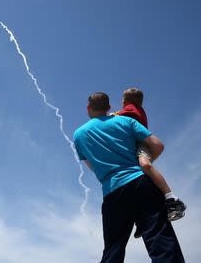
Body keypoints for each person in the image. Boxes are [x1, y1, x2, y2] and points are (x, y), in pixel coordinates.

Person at [73, 92, 185, 262]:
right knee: (160, 240)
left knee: (113, 249)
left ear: (88, 107)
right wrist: (142, 163)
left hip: (112, 192)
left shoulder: (79, 135)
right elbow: (157, 145)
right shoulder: (127, 121)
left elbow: (92, 167)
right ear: (109, 108)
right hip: (142, 183)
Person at [116, 88, 186, 238]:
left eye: (123, 100)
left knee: (145, 165)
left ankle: (171, 198)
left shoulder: (133, 109)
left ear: (126, 101)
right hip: (133, 145)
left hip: (141, 144)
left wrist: (111, 116)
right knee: (138, 179)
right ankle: (141, 220)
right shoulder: (135, 107)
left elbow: (126, 115)